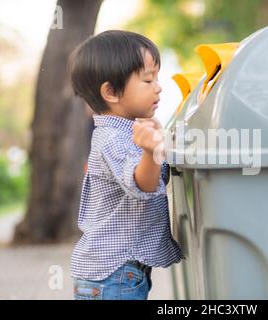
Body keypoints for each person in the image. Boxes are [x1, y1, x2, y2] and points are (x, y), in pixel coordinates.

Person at [68, 30, 183, 300]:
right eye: (147, 79)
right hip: (113, 276)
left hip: (118, 273)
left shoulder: (126, 132)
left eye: (157, 77)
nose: (159, 86)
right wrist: (151, 151)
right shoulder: (112, 138)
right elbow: (142, 185)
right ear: (110, 92)